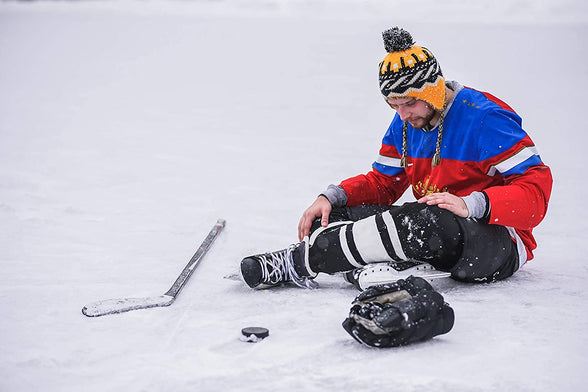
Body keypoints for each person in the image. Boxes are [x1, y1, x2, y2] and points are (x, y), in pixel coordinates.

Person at [239, 27, 553, 347]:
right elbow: (383, 183)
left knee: (429, 219)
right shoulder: (408, 120)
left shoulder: (484, 117)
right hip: (430, 224)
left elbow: (537, 191)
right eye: (393, 104)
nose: (402, 114)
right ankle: (376, 266)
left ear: (432, 90)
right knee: (334, 216)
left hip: (497, 240)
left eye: (409, 103)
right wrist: (331, 196)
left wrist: (472, 204)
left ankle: (300, 263)